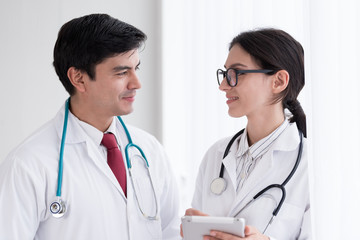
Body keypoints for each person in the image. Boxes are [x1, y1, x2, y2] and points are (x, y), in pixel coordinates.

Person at [0, 13, 180, 240]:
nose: (136, 83)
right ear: (79, 78)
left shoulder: (149, 150)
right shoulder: (28, 164)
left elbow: (172, 234)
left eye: (136, 69)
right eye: (122, 72)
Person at [182, 28, 311, 239]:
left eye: (236, 74)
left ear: (278, 81)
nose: (223, 85)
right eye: (224, 74)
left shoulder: (310, 164)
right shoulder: (216, 155)